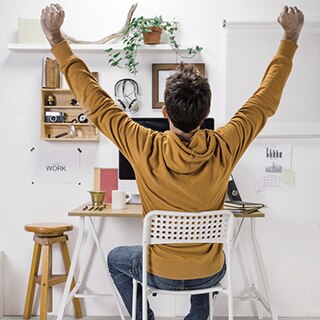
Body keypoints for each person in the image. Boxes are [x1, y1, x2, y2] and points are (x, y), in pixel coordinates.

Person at [41, 4, 304, 320]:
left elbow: (96, 103)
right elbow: (264, 100)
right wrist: (290, 37)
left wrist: (56, 37)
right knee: (207, 265)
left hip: (159, 273)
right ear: (205, 114)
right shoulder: (226, 145)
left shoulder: (142, 144)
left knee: (115, 258)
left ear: (165, 112)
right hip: (210, 273)